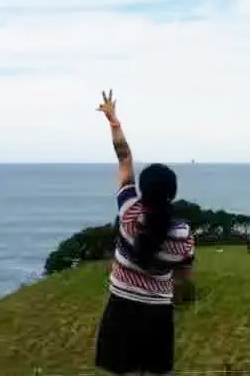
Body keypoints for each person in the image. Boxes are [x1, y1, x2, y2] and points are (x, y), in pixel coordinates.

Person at [94, 90, 194, 376]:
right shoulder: (183, 233)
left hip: (121, 308)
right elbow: (184, 277)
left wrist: (114, 123)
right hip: (158, 314)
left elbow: (124, 160)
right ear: (172, 194)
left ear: (144, 190)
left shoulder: (128, 212)